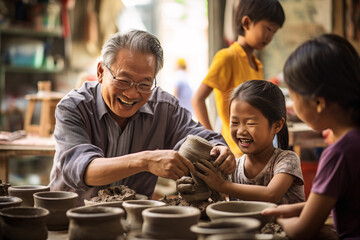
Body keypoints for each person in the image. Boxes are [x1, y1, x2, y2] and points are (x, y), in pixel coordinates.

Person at [49, 30, 236, 206]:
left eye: (144, 84)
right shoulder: (73, 108)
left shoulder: (164, 108)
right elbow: (83, 170)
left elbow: (205, 139)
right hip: (73, 219)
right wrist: (146, 161)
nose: (132, 93)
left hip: (135, 222)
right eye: (123, 80)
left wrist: (220, 150)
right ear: (100, 72)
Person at [262, 34, 360, 239]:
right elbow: (341, 201)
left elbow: (302, 230)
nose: (294, 106)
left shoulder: (340, 153)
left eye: (294, 97)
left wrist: (275, 219)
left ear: (318, 103)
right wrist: (288, 210)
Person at [191, 0, 285, 157]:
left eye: (274, 32)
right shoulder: (227, 58)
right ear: (247, 23)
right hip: (234, 152)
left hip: (255, 150)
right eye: (268, 28)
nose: (270, 37)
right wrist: (213, 141)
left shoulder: (257, 64)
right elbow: (198, 100)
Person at [193, 80, 305, 204]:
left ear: (277, 125)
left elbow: (271, 194)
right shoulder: (233, 168)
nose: (241, 131)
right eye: (234, 123)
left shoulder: (287, 160)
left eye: (250, 123)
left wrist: (221, 185)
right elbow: (213, 195)